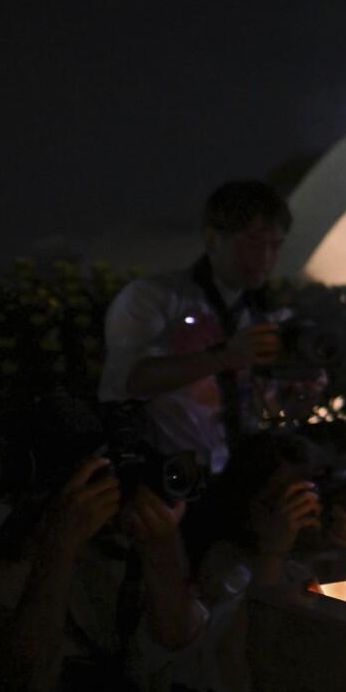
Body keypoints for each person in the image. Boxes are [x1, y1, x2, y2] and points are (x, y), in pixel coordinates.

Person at [0, 457, 207, 692]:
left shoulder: (115, 557)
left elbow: (176, 638)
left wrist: (159, 543)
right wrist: (159, 544)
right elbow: (181, 642)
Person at [99, 180, 292, 474]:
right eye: (252, 242)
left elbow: (270, 407)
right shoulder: (152, 297)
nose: (265, 258)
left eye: (275, 246)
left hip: (244, 480)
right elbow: (128, 381)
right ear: (213, 237)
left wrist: (299, 393)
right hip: (167, 478)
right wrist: (223, 356)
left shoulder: (264, 314)